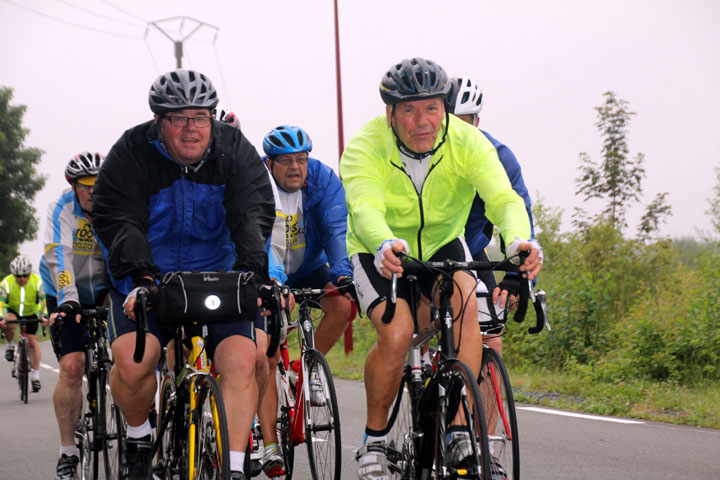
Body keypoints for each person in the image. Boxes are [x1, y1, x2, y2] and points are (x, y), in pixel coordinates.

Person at [340, 57, 542, 480]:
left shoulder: (468, 142)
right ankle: (374, 442)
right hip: (378, 247)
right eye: (410, 110)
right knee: (396, 335)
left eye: (432, 108)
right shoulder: (365, 146)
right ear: (390, 113)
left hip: (439, 244)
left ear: (445, 109)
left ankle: (458, 429)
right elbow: (363, 207)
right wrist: (381, 242)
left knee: (469, 306)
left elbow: (503, 198)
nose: (422, 121)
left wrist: (520, 240)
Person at [91, 69, 275, 480]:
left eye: (201, 117)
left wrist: (254, 275)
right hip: (150, 275)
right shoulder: (132, 152)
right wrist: (141, 278)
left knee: (244, 359)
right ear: (159, 121)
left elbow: (252, 214)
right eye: (179, 118)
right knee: (134, 361)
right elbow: (120, 219)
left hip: (219, 275)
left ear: (213, 118)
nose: (191, 129)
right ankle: (140, 435)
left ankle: (233, 466)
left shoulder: (233, 151)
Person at [258, 125, 354, 475]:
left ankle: (306, 368)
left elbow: (335, 228)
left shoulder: (323, 180)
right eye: (286, 161)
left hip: (309, 265)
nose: (296, 168)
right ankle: (270, 445)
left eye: (302, 159)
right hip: (267, 269)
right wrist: (273, 283)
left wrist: (343, 273)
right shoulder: (256, 183)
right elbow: (258, 237)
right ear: (270, 163)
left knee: (342, 306)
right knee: (266, 353)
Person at [446, 75, 535, 356]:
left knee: (491, 340)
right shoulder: (424, 156)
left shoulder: (498, 156)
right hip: (424, 252)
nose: (461, 132)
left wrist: (516, 271)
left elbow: (517, 212)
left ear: (477, 123)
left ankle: (485, 399)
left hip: (471, 251)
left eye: (467, 122)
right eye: (452, 123)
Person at [38, 152, 109, 480]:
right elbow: (59, 256)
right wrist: (68, 301)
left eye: (98, 184)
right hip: (65, 292)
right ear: (74, 186)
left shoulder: (116, 202)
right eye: (85, 186)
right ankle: (68, 451)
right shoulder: (62, 209)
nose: (93, 191)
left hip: (105, 287)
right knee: (71, 366)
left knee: (131, 359)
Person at [0, 255, 47, 391]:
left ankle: (36, 377)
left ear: (29, 273)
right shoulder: (6, 283)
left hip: (31, 312)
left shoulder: (38, 282)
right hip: (13, 310)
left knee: (33, 342)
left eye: (25, 275)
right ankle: (10, 346)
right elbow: (0, 304)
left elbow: (45, 302)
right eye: (18, 276)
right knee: (8, 320)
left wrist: (44, 315)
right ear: (13, 274)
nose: (22, 279)